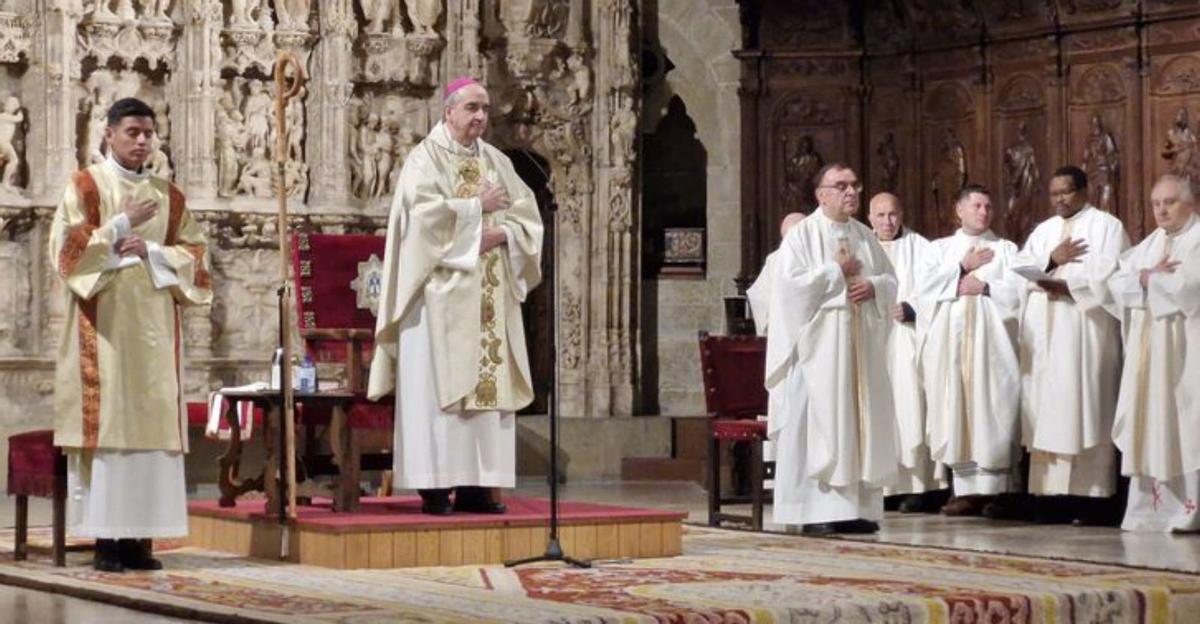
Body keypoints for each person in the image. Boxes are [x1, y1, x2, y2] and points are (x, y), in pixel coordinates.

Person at [49, 97, 212, 571]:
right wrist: (120, 224)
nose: (141, 141)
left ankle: (141, 540)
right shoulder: (86, 185)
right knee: (113, 431)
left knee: (152, 434)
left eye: (147, 134)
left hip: (155, 334)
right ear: (109, 135)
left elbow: (197, 257)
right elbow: (65, 251)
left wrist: (154, 253)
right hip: (105, 332)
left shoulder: (168, 195)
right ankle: (107, 540)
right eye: (132, 133)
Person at [367, 78, 544, 516]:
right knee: (437, 395)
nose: (480, 116)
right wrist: (474, 209)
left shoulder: (497, 161)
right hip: (437, 301)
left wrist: (504, 234)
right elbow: (420, 220)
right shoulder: (423, 160)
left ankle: (477, 487)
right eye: (471, 107)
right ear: (448, 112)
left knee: (486, 393)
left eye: (484, 108)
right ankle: (434, 487)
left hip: (489, 296)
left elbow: (528, 217)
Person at [765, 163, 898, 536]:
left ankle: (851, 508)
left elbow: (890, 278)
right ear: (820, 194)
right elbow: (787, 291)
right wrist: (833, 272)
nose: (851, 191)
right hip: (818, 353)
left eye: (855, 185)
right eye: (841, 186)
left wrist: (874, 286)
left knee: (857, 423)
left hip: (858, 348)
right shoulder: (802, 236)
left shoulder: (865, 236)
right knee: (820, 426)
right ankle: (813, 510)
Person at [1014, 165, 1128, 524]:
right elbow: (1021, 268)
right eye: (1054, 194)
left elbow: (1112, 277)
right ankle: (1050, 499)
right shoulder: (1044, 231)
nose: (1059, 200)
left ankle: (1091, 500)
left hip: (1083, 332)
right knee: (1047, 410)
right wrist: (1051, 261)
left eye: (1065, 192)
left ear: (1083, 191)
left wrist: (1070, 287)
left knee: (1085, 407)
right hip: (1046, 335)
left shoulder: (1107, 227)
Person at [917, 185, 1021, 518]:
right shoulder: (939, 250)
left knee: (994, 409)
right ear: (959, 210)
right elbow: (922, 290)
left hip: (993, 350)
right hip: (952, 348)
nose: (984, 212)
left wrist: (985, 287)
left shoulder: (1005, 249)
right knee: (956, 412)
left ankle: (999, 492)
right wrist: (961, 267)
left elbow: (1021, 292)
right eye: (976, 206)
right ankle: (964, 491)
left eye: (988, 206)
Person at [1109, 175, 1200, 532]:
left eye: (1169, 202)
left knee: (1186, 424)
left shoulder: (1196, 239)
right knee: (1152, 420)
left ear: (1189, 203)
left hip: (1185, 351)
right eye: (1156, 203)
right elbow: (1118, 281)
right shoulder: (1152, 243)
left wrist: (1149, 280)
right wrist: (1146, 277)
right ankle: (1149, 512)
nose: (1161, 210)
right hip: (1150, 352)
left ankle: (1189, 509)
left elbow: (1191, 286)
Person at [868, 192, 945, 513]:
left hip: (907, 341)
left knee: (911, 408)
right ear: (870, 218)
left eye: (893, 214)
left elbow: (938, 290)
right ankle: (881, 487)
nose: (887, 222)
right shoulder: (861, 245)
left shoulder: (922, 248)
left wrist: (912, 308)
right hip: (873, 341)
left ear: (902, 214)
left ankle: (917, 487)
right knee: (878, 412)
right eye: (880, 215)